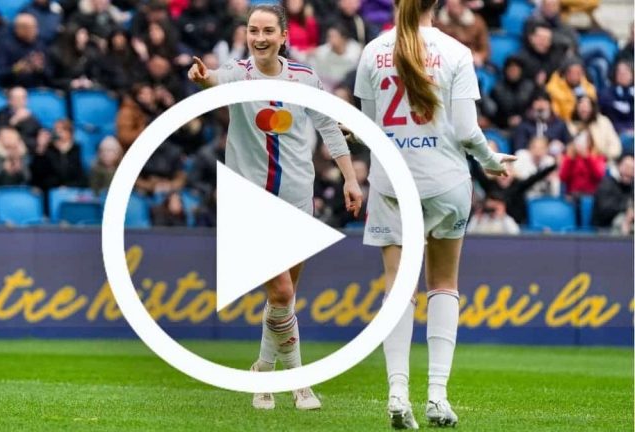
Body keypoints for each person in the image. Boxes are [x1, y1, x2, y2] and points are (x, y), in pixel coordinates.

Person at [187, 4, 363, 411]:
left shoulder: (303, 78)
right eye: (253, 30)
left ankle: (263, 370)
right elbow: (214, 81)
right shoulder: (238, 73)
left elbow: (329, 128)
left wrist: (351, 179)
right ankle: (300, 383)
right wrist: (202, 78)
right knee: (281, 290)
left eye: (268, 30)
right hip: (250, 200)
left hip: (298, 195)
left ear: (284, 36)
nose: (260, 37)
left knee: (284, 298)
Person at [353, 0, 515, 428]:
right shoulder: (456, 52)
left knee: (398, 289)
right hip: (445, 182)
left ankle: (396, 393)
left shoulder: (373, 51)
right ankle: (437, 398)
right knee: (442, 285)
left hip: (391, 184)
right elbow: (466, 130)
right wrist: (491, 160)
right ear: (438, 4)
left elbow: (369, 130)